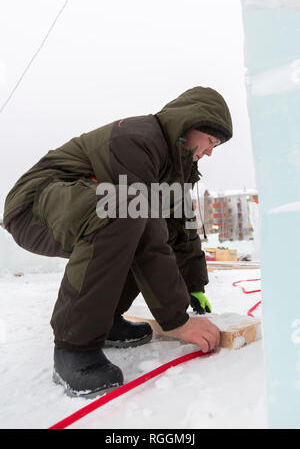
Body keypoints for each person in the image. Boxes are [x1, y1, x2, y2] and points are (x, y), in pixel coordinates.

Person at [3, 86, 233, 397]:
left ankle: (106, 320)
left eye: (215, 146)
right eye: (209, 141)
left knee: (139, 216)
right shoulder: (139, 139)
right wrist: (177, 320)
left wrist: (194, 283)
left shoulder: (179, 169)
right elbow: (146, 229)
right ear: (189, 124)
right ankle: (74, 345)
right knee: (125, 209)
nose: (210, 152)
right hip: (35, 205)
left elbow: (182, 226)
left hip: (85, 207)